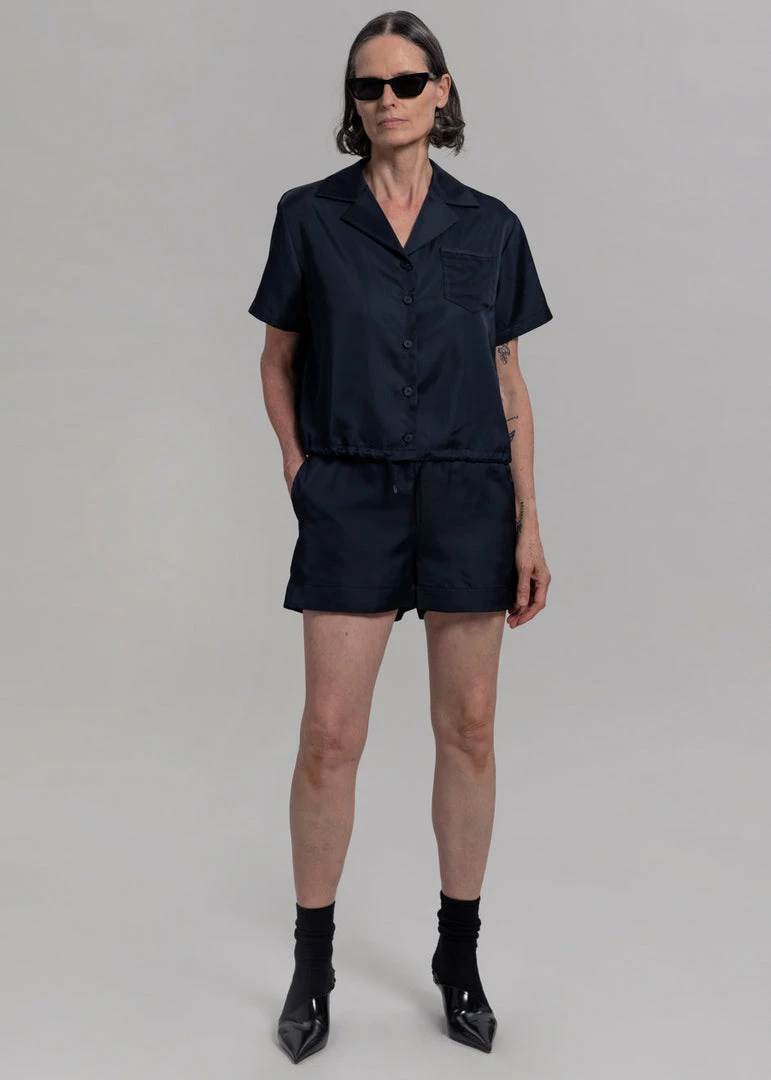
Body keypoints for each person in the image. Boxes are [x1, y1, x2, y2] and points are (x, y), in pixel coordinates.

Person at [247, 11, 554, 1064]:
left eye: (406, 82)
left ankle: (457, 955)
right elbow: (277, 359)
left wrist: (529, 522)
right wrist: (302, 471)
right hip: (353, 493)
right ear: (353, 100)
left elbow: (510, 380)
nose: (387, 100)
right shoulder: (309, 217)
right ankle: (313, 962)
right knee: (330, 736)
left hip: (470, 494)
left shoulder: (490, 227)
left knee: (469, 730)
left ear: (441, 90)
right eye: (368, 85)